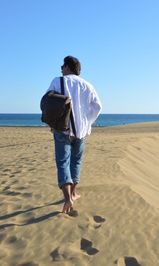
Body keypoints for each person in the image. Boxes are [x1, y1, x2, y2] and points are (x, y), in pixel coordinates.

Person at [46, 56, 102, 214]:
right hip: (81, 132)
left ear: (68, 67)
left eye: (62, 66)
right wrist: (87, 121)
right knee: (76, 162)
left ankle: (67, 198)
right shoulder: (87, 85)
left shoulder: (58, 81)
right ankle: (73, 193)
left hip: (62, 129)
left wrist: (52, 123)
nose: (61, 69)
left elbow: (48, 104)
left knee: (63, 162)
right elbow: (98, 106)